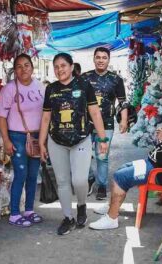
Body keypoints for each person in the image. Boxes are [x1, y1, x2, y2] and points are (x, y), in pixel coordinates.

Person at [89, 99, 162, 230]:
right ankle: (112, 205)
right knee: (122, 169)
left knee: (120, 177)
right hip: (153, 164)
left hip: (159, 172)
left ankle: (112, 218)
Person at [38, 53, 109, 235]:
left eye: (63, 65)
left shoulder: (84, 85)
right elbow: (46, 118)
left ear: (71, 67)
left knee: (79, 180)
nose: (60, 69)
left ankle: (82, 205)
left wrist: (102, 139)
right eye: (56, 67)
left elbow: (94, 113)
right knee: (62, 182)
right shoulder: (51, 89)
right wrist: (41, 142)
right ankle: (68, 217)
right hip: (56, 141)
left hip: (81, 140)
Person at [0, 54, 45, 227]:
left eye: (26, 65)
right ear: (14, 70)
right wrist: (6, 140)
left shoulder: (41, 87)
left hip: (37, 137)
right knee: (21, 174)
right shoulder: (9, 89)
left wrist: (44, 139)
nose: (23, 69)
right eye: (19, 66)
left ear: (32, 67)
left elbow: (46, 115)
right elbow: (1, 117)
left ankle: (30, 210)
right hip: (17, 137)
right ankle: (15, 213)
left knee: (33, 175)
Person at [81, 47, 128, 200]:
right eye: (98, 57)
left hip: (107, 124)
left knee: (102, 156)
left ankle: (102, 185)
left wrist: (124, 120)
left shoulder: (116, 79)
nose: (101, 60)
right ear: (94, 59)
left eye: (104, 57)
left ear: (108, 60)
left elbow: (122, 102)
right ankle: (88, 179)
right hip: (86, 124)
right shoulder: (84, 78)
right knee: (84, 155)